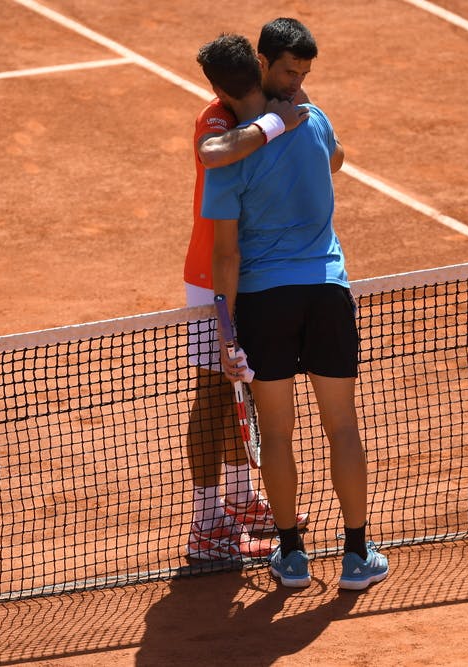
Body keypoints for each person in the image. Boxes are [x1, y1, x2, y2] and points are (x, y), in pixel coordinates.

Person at [199, 33, 389, 590]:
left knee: (276, 435)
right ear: (261, 69)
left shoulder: (229, 158)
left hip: (264, 302)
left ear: (217, 90)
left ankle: (292, 557)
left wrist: (227, 333)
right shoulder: (314, 118)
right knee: (343, 428)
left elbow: (227, 254)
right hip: (328, 293)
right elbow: (336, 160)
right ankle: (357, 554)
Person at [184, 18, 316, 561]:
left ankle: (239, 500)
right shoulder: (215, 119)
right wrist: (273, 124)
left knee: (249, 390)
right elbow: (217, 152)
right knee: (215, 396)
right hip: (211, 278)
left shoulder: (279, 98)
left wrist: (284, 110)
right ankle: (206, 523)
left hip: (259, 274)